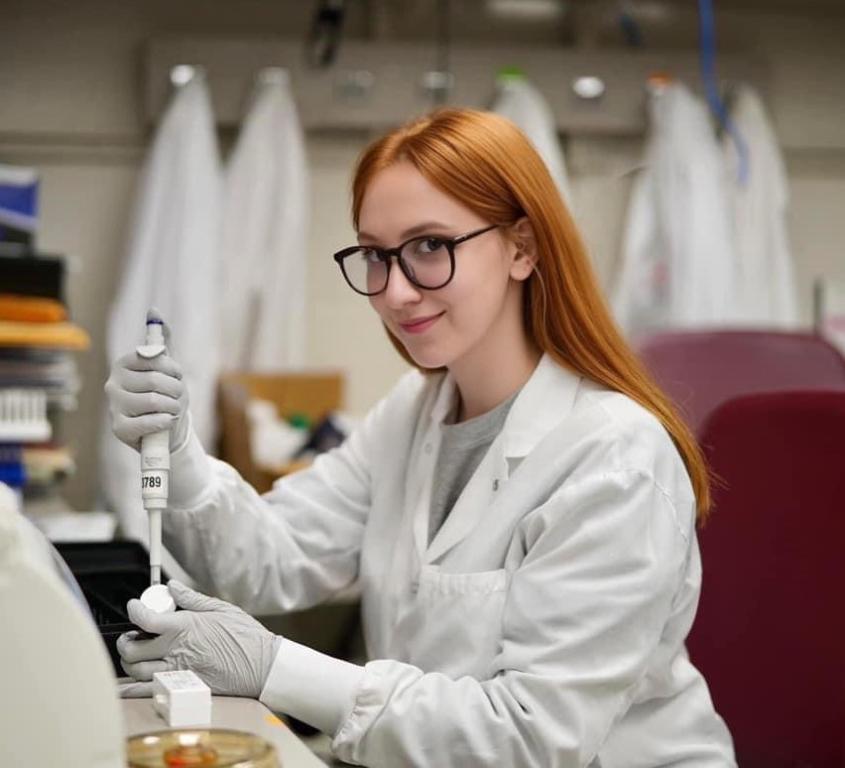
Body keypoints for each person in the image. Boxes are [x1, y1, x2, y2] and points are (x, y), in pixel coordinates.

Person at [106, 108, 736, 767]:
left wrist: (271, 666)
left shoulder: (614, 456)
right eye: (376, 255)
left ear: (522, 246)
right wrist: (177, 456)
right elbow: (272, 558)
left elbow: (530, 737)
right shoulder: (416, 410)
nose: (396, 291)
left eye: (430, 246)